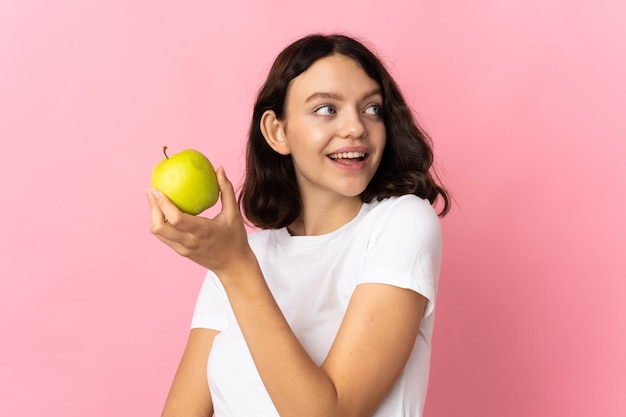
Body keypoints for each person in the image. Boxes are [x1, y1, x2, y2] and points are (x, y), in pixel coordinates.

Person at [147, 33, 450, 417]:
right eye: (327, 109)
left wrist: (235, 268)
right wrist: (233, 263)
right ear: (276, 131)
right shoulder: (247, 252)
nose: (356, 127)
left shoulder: (401, 223)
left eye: (372, 109)